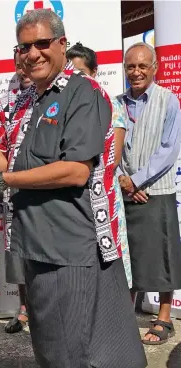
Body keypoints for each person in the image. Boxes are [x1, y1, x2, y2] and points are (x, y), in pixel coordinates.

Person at [0, 10, 147, 368]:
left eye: (42, 44)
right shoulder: (24, 100)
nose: (34, 54)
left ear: (61, 43)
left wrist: (0, 179)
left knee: (95, 337)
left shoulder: (85, 92)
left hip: (80, 237)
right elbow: (6, 155)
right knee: (51, 329)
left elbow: (76, 170)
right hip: (35, 236)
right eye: (25, 47)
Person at [117, 42, 181, 345]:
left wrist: (137, 181)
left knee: (163, 254)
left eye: (143, 66)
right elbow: (107, 148)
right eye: (131, 66)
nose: (137, 72)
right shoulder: (115, 104)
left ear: (154, 68)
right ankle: (125, 318)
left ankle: (164, 317)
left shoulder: (169, 101)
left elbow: (169, 150)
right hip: (124, 193)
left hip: (157, 190)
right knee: (127, 256)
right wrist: (122, 180)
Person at [66, 42, 132, 289]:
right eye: (70, 72)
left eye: (81, 72)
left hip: (102, 194)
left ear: (94, 72)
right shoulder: (64, 104)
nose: (75, 78)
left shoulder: (110, 104)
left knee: (107, 260)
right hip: (72, 196)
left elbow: (111, 159)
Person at [0, 53, 36, 333]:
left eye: (28, 62)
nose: (24, 68)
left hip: (43, 191)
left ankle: (45, 311)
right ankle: (24, 310)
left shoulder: (50, 98)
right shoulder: (6, 104)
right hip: (12, 193)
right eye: (19, 64)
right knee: (16, 251)